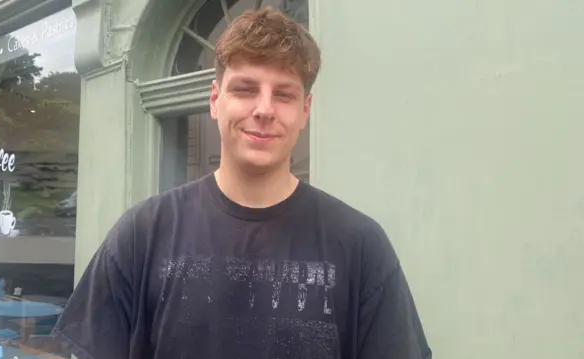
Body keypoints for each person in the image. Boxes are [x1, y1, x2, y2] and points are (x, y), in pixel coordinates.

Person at [51, 7, 431, 359]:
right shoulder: (142, 235)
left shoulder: (361, 246)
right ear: (215, 100)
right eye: (245, 89)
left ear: (305, 111)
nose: (264, 110)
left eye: (283, 94)